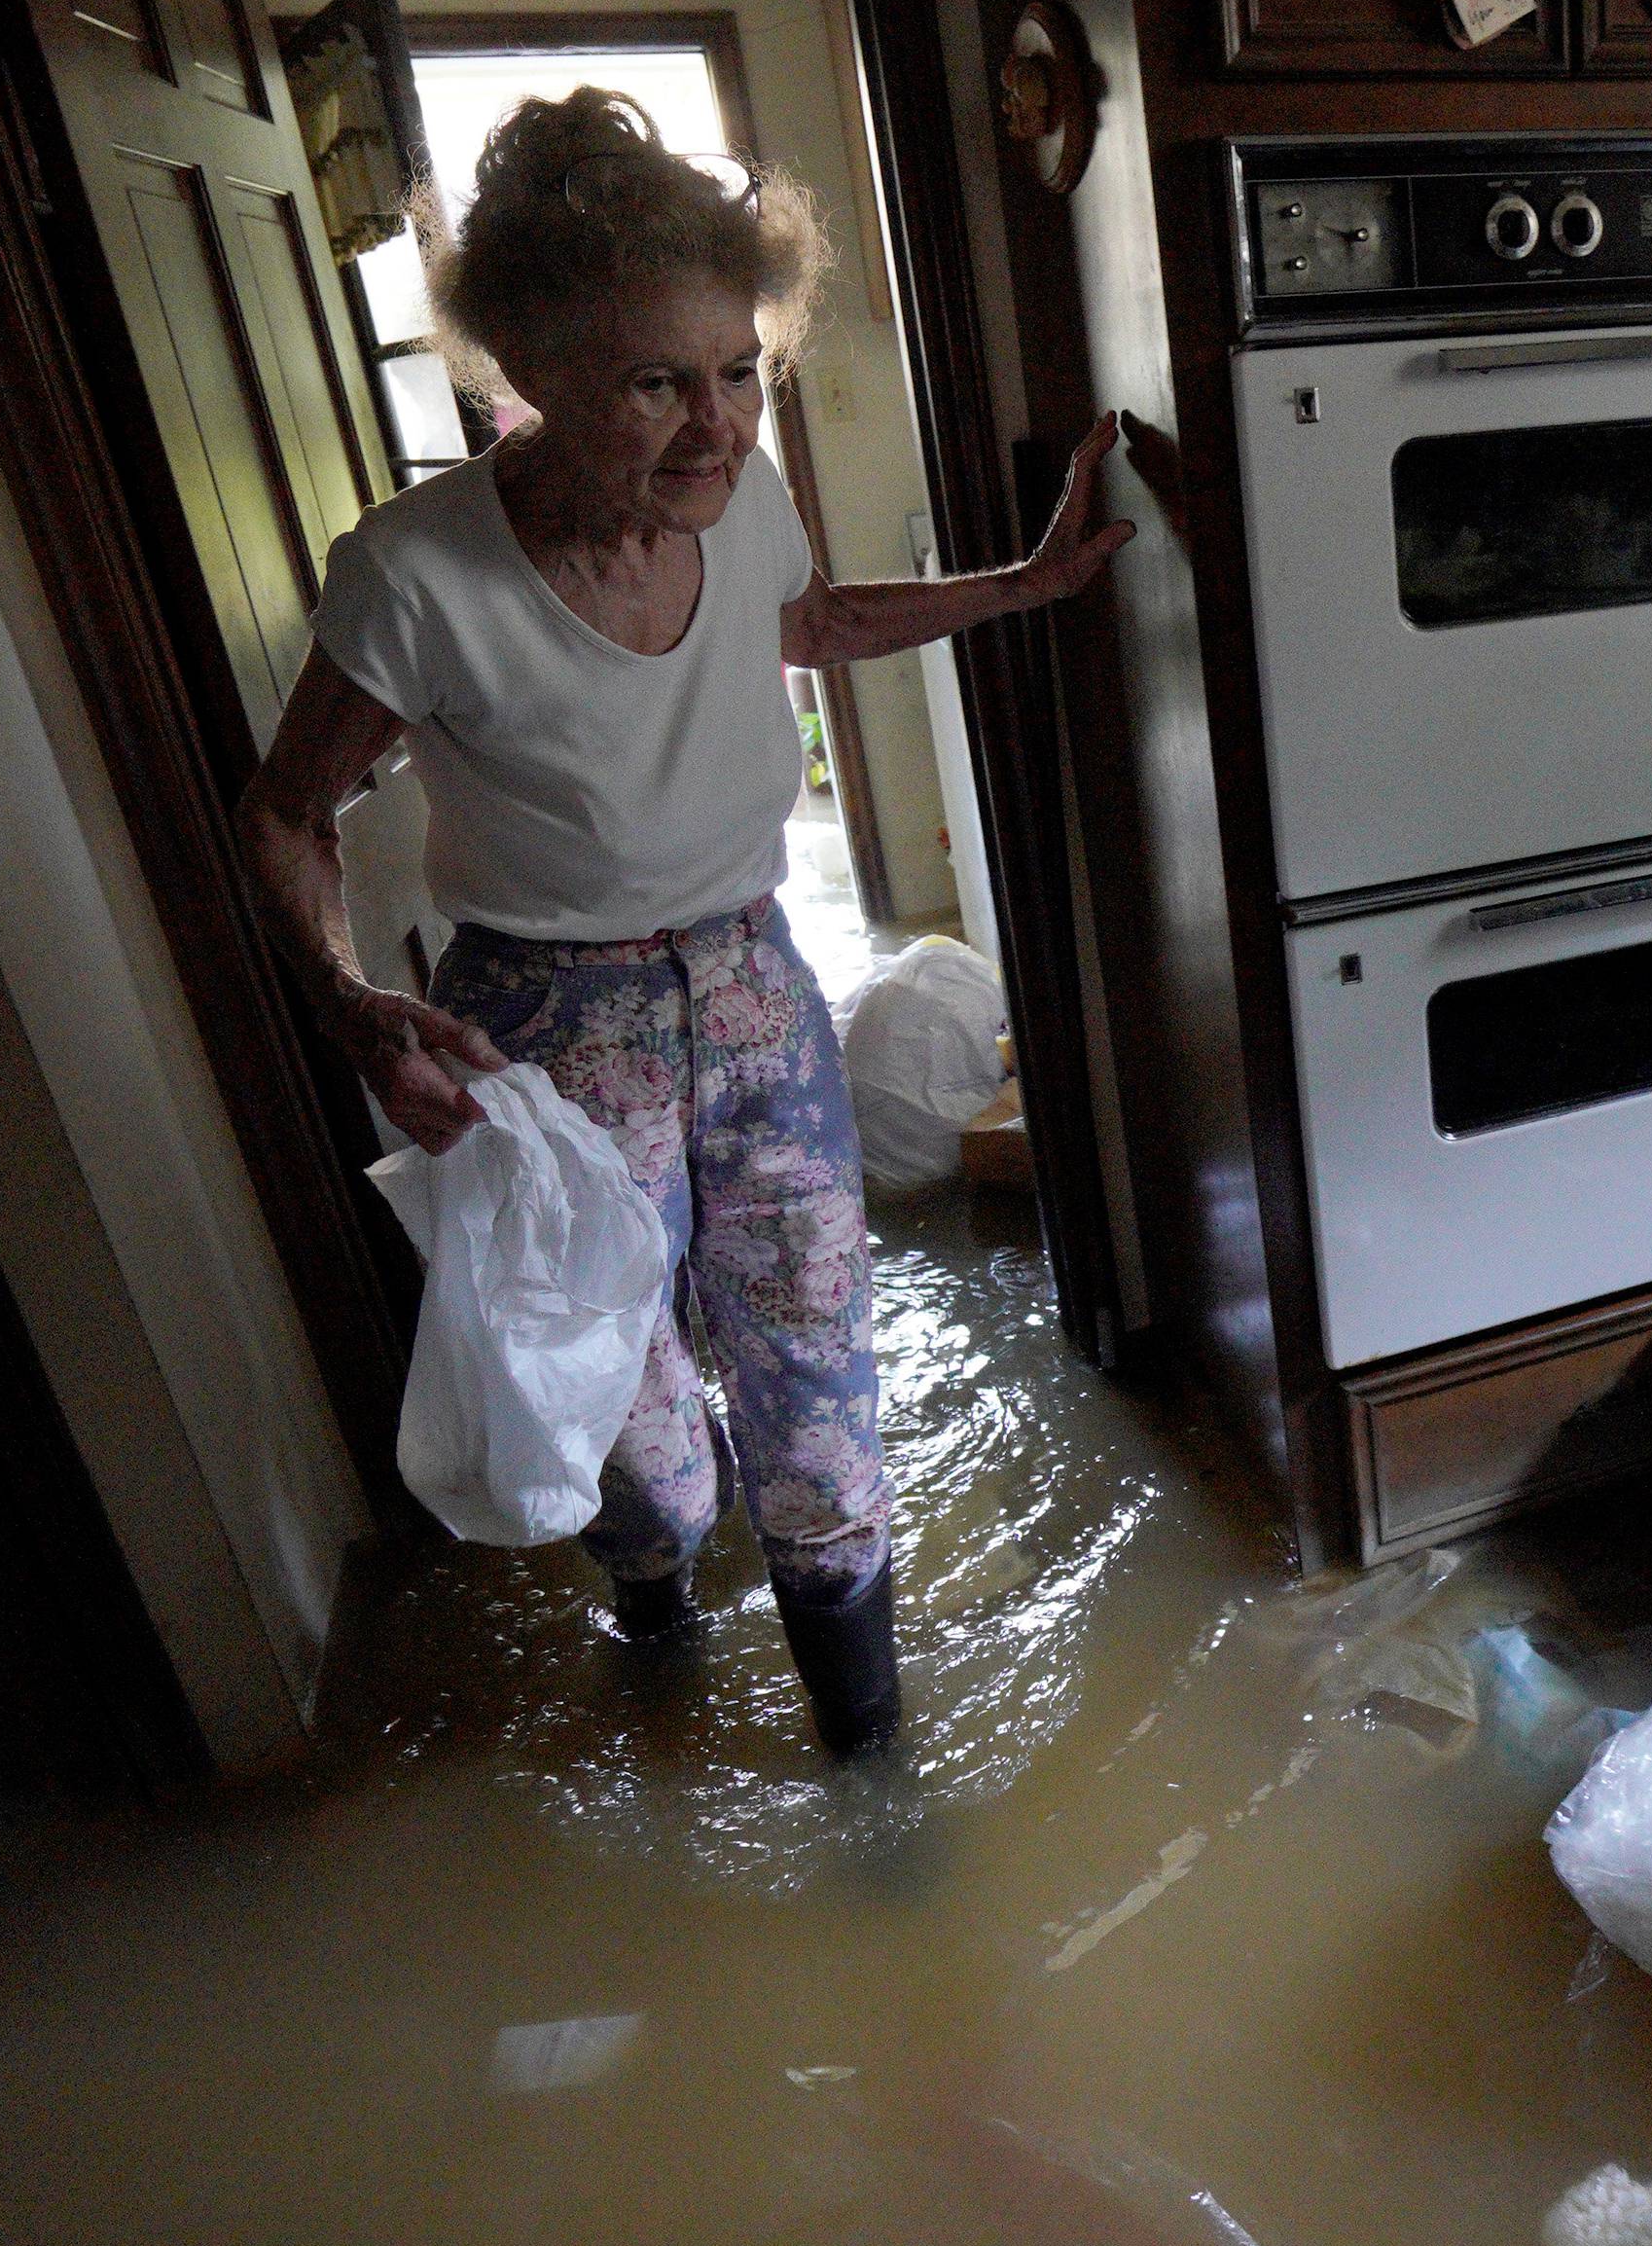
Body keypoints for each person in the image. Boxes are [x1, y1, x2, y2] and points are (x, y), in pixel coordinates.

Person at [237, 89, 1132, 1757]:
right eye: (656, 382)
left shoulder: (747, 489)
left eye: (739, 369)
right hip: (540, 1030)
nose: (717, 426)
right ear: (525, 377)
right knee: (628, 1440)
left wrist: (1024, 584)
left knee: (820, 1402)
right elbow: (286, 816)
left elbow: (809, 618)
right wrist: (361, 1006)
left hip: (753, 988)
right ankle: (651, 1624)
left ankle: (871, 1788)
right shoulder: (414, 576)